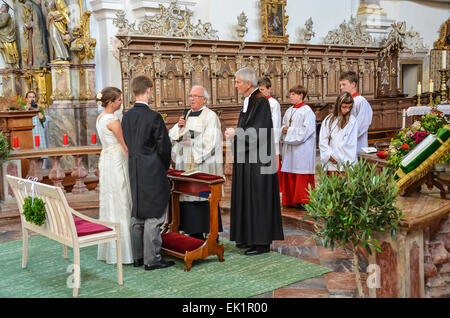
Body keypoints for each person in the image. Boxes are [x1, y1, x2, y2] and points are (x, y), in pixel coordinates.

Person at [225, 67, 284, 256]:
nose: (235, 86)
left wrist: (237, 134)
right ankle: (247, 237)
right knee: (247, 197)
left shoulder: (261, 102)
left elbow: (260, 132)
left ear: (248, 83)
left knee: (258, 198)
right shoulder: (248, 100)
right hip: (247, 158)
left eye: (237, 82)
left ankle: (261, 243)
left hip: (259, 161)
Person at [121, 75, 174, 271]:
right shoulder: (154, 117)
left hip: (134, 168)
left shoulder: (126, 117)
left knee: (137, 213)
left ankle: (137, 257)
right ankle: (152, 259)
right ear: (149, 91)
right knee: (154, 214)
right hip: (152, 170)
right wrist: (165, 164)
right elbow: (164, 147)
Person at [168, 85, 223, 241]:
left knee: (203, 197)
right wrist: (179, 128)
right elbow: (173, 134)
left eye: (195, 96)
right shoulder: (186, 114)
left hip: (203, 165)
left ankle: (211, 232)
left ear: (204, 99)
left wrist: (191, 144)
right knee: (188, 195)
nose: (191, 99)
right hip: (185, 164)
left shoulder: (210, 116)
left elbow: (211, 142)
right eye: (190, 96)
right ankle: (193, 231)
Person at [96, 87, 133, 264]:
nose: (121, 102)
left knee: (110, 199)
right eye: (118, 100)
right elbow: (125, 146)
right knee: (121, 197)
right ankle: (125, 250)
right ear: (111, 102)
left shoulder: (100, 117)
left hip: (107, 158)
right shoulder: (113, 120)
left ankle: (109, 249)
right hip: (117, 159)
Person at [280, 85, 316, 210]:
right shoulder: (289, 110)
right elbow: (283, 126)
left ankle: (302, 201)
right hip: (289, 148)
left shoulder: (307, 111)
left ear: (301, 95)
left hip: (302, 150)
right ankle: (289, 200)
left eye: (293, 94)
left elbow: (307, 131)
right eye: (290, 94)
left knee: (301, 174)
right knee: (289, 172)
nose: (291, 96)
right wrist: (283, 130)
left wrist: (289, 130)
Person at [319, 92, 358, 176]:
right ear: (338, 105)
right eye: (344, 107)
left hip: (344, 164)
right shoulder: (328, 120)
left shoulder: (352, 121)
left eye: (349, 107)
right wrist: (329, 156)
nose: (347, 110)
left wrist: (336, 157)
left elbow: (349, 143)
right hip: (330, 164)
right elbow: (323, 141)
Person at [257, 77, 282, 191]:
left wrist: (273, 140)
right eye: (259, 90)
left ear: (269, 89)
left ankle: (274, 187)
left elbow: (275, 123)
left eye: (262, 89)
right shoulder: (257, 102)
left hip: (270, 138)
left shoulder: (273, 103)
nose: (260, 92)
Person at [339, 71, 373, 153]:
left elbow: (362, 124)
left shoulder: (361, 102)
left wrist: (347, 137)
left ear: (353, 84)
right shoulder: (342, 101)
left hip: (356, 142)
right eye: (340, 85)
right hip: (342, 141)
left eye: (344, 84)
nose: (341, 87)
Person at [0, 3, 19, 68]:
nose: (1, 7)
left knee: (8, 49)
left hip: (7, 35)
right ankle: (9, 64)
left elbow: (3, 23)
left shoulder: (6, 15)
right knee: (4, 50)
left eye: (3, 7)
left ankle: (12, 65)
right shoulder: (0, 15)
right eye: (1, 6)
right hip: (2, 35)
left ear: (7, 9)